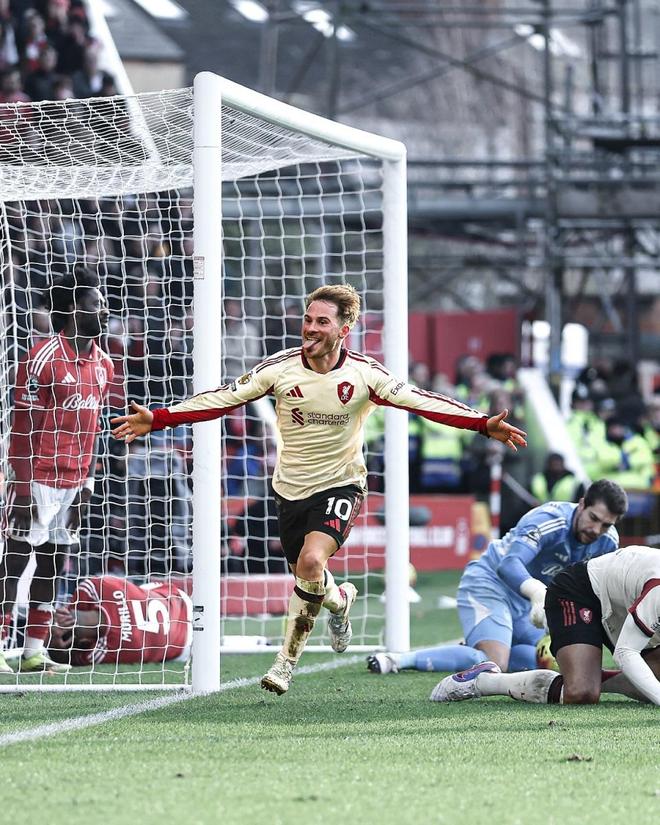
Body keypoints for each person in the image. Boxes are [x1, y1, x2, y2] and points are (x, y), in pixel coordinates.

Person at [111, 284, 526, 696]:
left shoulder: (364, 374)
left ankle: (284, 663)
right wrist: (159, 418)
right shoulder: (280, 368)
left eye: (321, 322)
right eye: (308, 319)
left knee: (312, 560)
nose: (310, 328)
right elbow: (223, 399)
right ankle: (340, 601)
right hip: (290, 490)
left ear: (343, 330)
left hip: (342, 484)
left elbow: (422, 401)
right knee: (308, 574)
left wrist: (481, 423)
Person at [367, 479, 628, 676]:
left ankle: (476, 645)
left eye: (606, 524)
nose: (597, 530)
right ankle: (400, 659)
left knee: (550, 662)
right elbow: (509, 565)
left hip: (527, 603)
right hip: (490, 583)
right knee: (493, 663)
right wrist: (537, 592)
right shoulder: (549, 520)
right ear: (581, 504)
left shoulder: (607, 541)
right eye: (593, 518)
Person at [0, 267, 113, 674]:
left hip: (74, 481)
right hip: (37, 477)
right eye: (96, 304)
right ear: (73, 308)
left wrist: (88, 484)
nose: (105, 310)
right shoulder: (41, 359)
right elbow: (21, 430)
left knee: (53, 563)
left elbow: (94, 428)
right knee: (14, 561)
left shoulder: (104, 364)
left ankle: (32, 651)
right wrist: (23, 488)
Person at [430, 545, 660, 706]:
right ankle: (486, 680)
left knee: (651, 680)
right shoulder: (658, 589)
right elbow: (626, 652)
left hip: (622, 605)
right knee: (581, 693)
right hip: (580, 592)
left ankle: (588, 675)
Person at [47, 574, 192, 666]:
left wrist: (56, 649)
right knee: (136, 591)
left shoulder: (108, 648)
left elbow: (65, 659)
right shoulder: (95, 587)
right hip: (176, 597)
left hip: (184, 643)